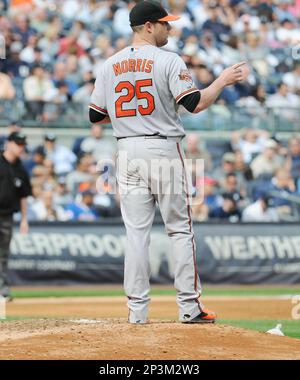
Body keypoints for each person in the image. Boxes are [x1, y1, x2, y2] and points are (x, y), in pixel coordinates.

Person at [89, 0, 246, 324]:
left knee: (136, 234)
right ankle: (189, 307)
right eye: (164, 23)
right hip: (162, 148)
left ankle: (136, 313)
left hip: (126, 150)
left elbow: (95, 114)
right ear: (148, 26)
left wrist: (130, 119)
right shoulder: (167, 60)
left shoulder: (108, 64)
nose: (169, 28)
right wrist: (221, 81)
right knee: (179, 229)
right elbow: (193, 103)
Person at [0, 132, 31, 300]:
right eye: (18, 143)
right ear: (8, 143)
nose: (21, 147)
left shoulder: (21, 168)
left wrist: (24, 219)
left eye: (22, 144)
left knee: (3, 255)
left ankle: (2, 291)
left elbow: (24, 196)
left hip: (7, 216)